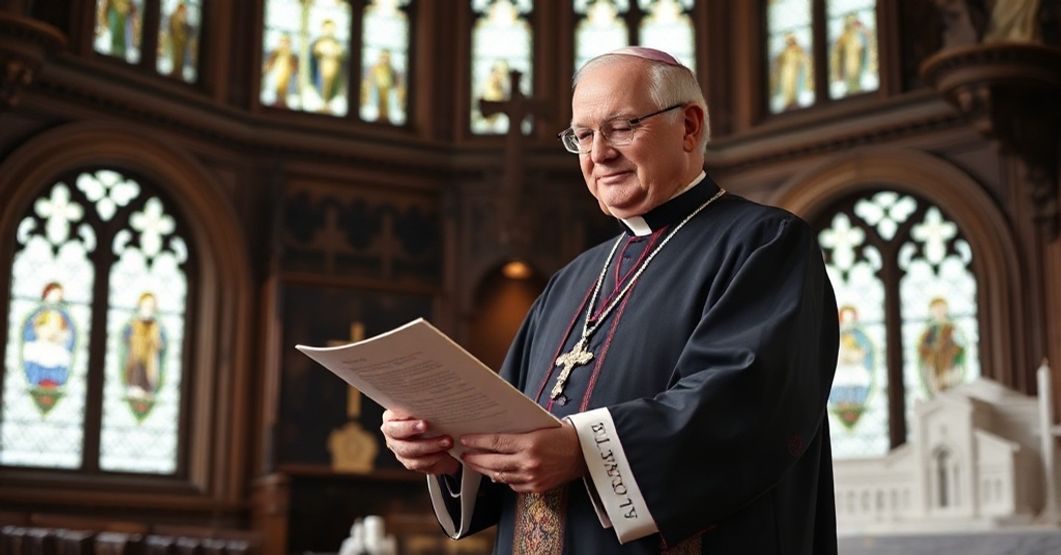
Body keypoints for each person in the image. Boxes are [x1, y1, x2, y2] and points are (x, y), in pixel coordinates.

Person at [382, 46, 839, 553]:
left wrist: (585, 452)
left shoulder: (765, 244)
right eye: (582, 135)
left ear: (689, 127)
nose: (598, 153)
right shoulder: (572, 280)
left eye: (622, 127)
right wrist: (452, 452)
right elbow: (505, 427)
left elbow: (747, 404)